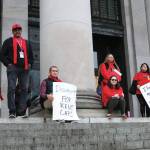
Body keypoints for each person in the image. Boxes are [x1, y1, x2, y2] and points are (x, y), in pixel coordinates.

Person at [0, 23, 34, 118]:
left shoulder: (26, 42)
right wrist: (8, 64)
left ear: (21, 31)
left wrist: (30, 64)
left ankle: (21, 112)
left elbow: (31, 56)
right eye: (15, 30)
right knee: (11, 88)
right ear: (13, 31)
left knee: (24, 89)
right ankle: (12, 111)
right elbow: (2, 55)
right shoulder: (8, 41)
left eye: (19, 29)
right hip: (13, 68)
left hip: (25, 69)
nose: (17, 31)